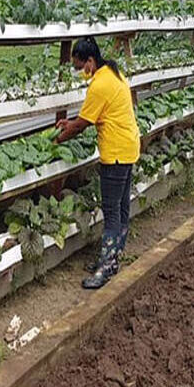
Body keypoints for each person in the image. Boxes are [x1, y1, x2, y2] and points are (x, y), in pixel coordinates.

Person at [56, 37, 140, 289]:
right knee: (122, 206)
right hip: (129, 148)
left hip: (115, 153)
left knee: (112, 211)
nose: (81, 71)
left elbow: (83, 124)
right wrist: (70, 122)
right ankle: (113, 258)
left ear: (90, 61)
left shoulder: (100, 85)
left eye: (81, 66)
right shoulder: (114, 74)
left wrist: (58, 139)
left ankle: (105, 269)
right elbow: (89, 115)